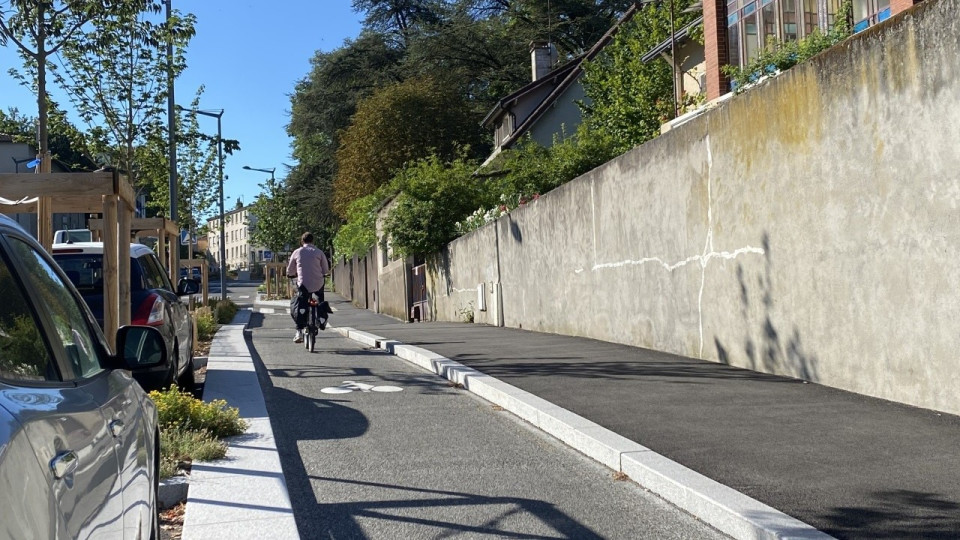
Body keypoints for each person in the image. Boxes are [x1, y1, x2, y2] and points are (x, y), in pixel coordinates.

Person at [286, 232, 330, 343]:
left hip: (303, 284)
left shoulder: (297, 252)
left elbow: (290, 269)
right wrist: (324, 273)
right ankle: (321, 319)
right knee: (320, 300)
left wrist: (291, 274)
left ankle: (299, 331)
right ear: (313, 241)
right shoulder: (319, 252)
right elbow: (325, 270)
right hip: (318, 283)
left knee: (301, 303)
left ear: (302, 241)